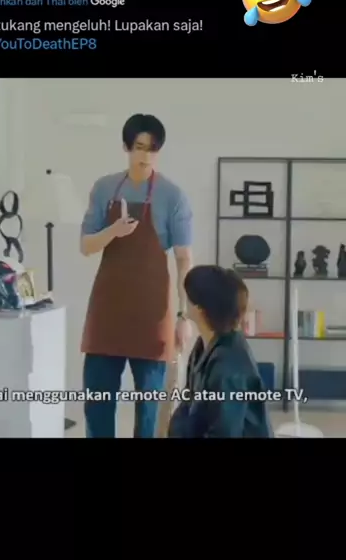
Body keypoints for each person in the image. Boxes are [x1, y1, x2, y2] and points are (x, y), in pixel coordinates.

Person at [80, 113, 193, 438]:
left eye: (153, 149)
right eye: (140, 147)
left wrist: (184, 316)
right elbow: (86, 246)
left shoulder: (173, 196)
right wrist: (113, 231)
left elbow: (184, 259)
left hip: (151, 315)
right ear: (126, 147)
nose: (146, 156)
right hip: (107, 313)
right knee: (97, 406)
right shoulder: (104, 188)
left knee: (149, 414)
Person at [168, 266, 273, 438]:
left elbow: (224, 432)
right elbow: (187, 409)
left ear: (200, 310)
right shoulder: (203, 345)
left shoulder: (229, 366)